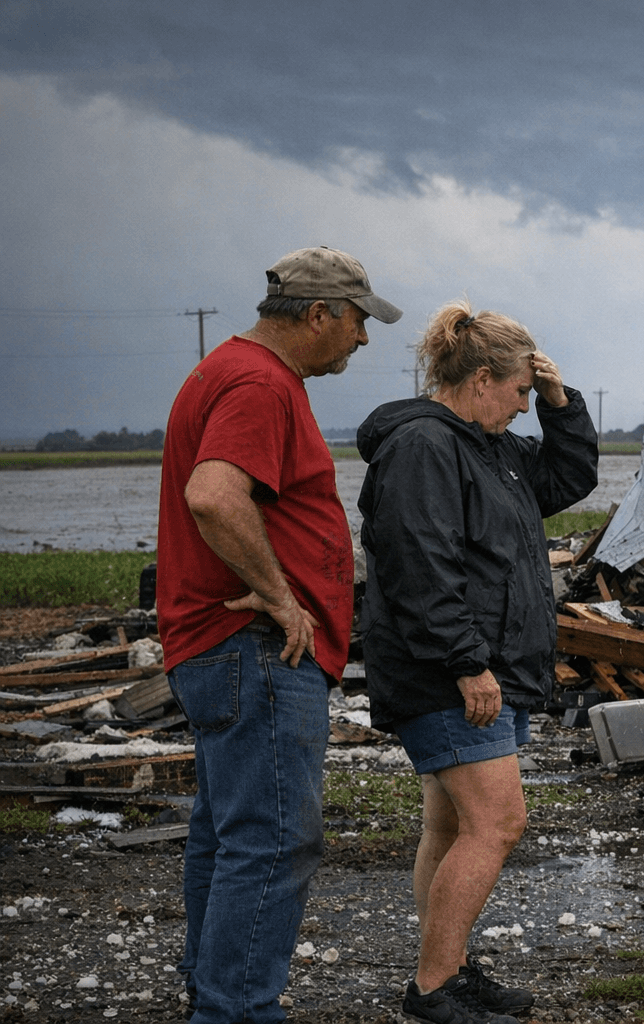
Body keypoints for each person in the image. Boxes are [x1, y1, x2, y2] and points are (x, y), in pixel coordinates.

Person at [158, 247, 401, 1023]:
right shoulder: (261, 382)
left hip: (222, 652)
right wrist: (280, 597)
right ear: (320, 314)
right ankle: (235, 1012)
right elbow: (214, 495)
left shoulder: (231, 371)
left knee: (229, 837)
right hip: (257, 652)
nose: (364, 340)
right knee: (272, 842)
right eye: (360, 320)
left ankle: (214, 996)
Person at [357, 299, 597, 1023]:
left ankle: (449, 970)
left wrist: (561, 404)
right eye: (522, 392)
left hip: (476, 668)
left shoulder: (492, 449)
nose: (525, 408)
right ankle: (432, 989)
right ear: (483, 378)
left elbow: (568, 480)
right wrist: (466, 663)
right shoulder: (424, 447)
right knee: (497, 823)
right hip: (448, 674)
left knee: (454, 826)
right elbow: (418, 565)